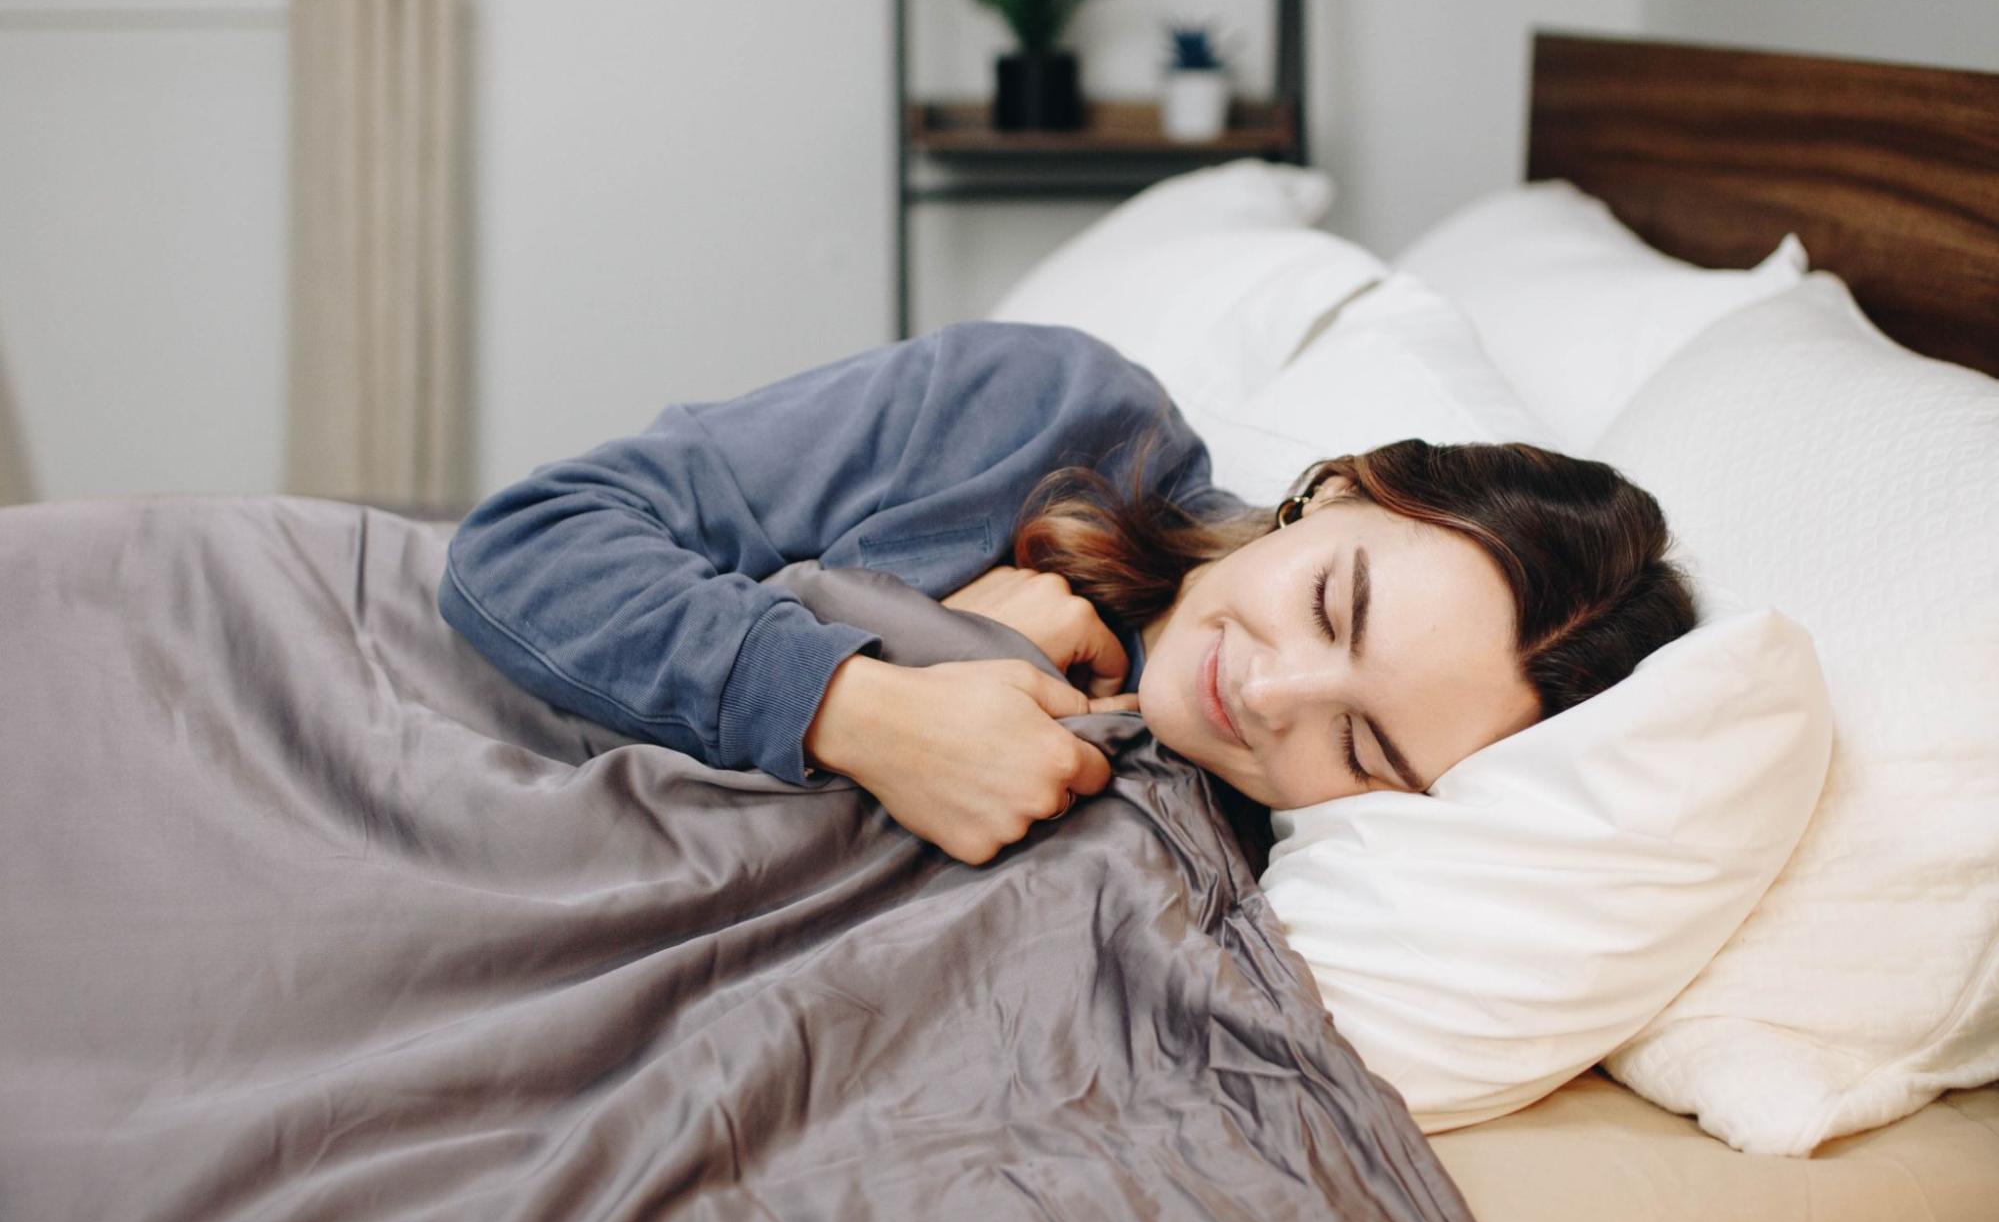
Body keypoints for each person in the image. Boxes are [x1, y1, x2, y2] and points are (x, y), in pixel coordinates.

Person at [440, 320, 1695, 865]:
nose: (1268, 693)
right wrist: (863, 709)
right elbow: (529, 543)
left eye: (1359, 743)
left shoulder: (1252, 858)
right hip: (400, 681)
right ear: (1340, 492)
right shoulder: (1050, 413)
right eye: (1329, 605)